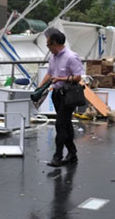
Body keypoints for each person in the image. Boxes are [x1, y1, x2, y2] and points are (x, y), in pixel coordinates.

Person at [38, 28, 84, 167]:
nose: (48, 48)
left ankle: (58, 156)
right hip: (56, 94)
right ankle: (72, 153)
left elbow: (78, 77)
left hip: (68, 94)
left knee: (60, 125)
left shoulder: (71, 57)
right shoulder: (52, 58)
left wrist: (61, 78)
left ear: (56, 43)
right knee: (66, 124)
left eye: (48, 44)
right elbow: (49, 74)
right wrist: (40, 88)